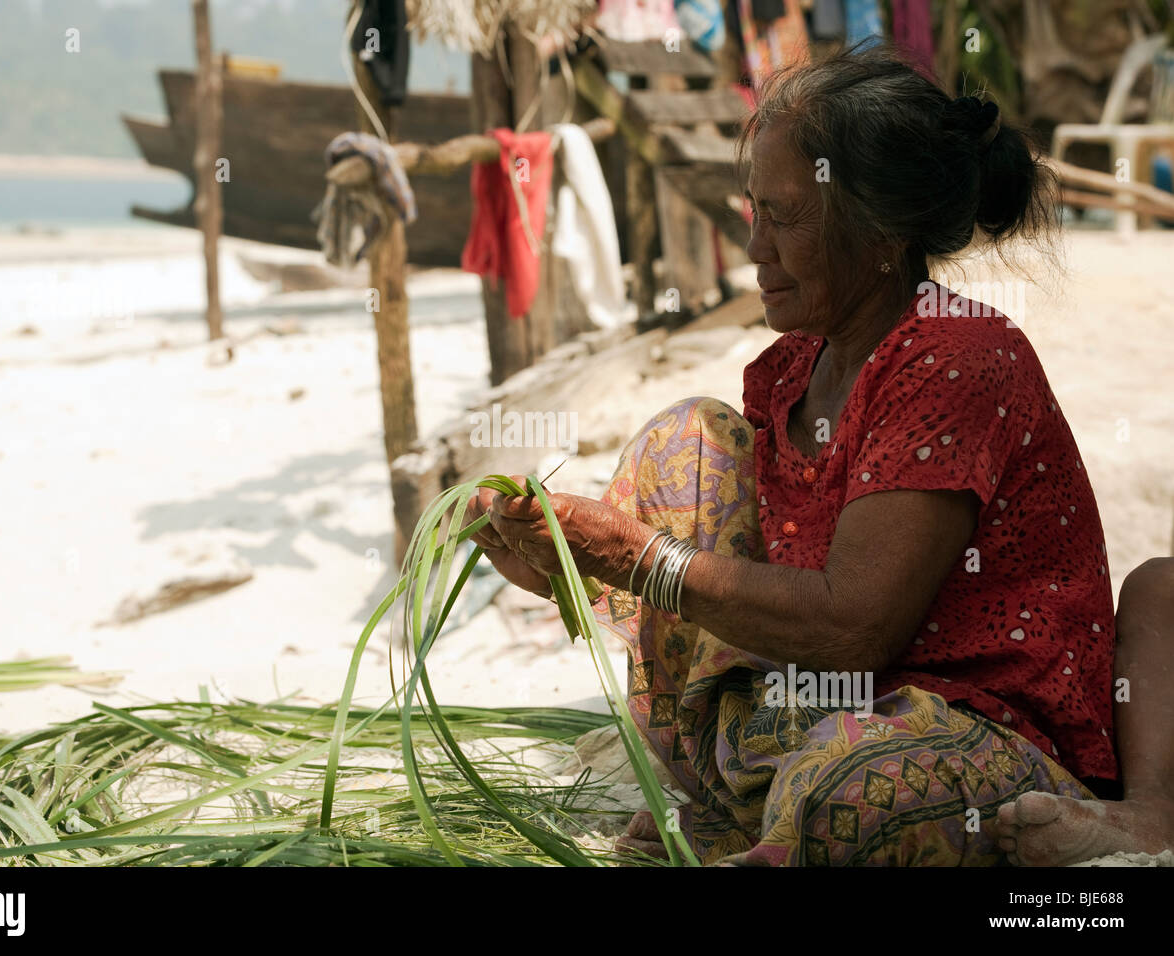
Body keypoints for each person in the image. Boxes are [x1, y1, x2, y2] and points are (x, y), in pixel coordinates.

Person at [466, 46, 1174, 866]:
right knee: (685, 443)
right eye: (754, 210)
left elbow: (854, 625)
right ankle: (729, 797)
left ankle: (789, 822)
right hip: (828, 708)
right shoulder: (799, 368)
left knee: (851, 790)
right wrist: (561, 559)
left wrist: (640, 561)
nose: (756, 246)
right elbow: (759, 587)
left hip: (976, 728)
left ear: (883, 235)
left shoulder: (958, 357)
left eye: (787, 216)